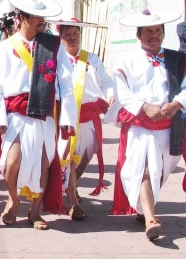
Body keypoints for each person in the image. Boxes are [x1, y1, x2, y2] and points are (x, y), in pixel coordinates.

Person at [0, 0, 77, 230]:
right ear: (22, 17)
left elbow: (66, 83)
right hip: (15, 116)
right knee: (12, 162)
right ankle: (13, 198)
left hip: (43, 115)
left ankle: (35, 211)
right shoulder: (3, 48)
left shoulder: (54, 47)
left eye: (43, 19)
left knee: (42, 163)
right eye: (35, 17)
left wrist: (67, 118)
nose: (41, 23)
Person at [112, 9, 186, 240]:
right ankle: (151, 219)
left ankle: (144, 208)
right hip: (141, 127)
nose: (154, 34)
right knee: (145, 170)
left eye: (158, 30)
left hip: (171, 127)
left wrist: (176, 104)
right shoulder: (126, 61)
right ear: (138, 35)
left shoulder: (179, 59)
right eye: (148, 31)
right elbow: (122, 92)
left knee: (162, 171)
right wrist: (143, 106)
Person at [54, 18, 116, 220]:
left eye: (75, 34)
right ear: (60, 37)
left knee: (86, 155)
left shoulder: (92, 59)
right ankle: (73, 202)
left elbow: (106, 80)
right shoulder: (56, 59)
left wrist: (110, 94)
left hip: (89, 117)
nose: (72, 38)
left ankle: (71, 186)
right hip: (67, 117)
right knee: (68, 158)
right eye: (67, 35)